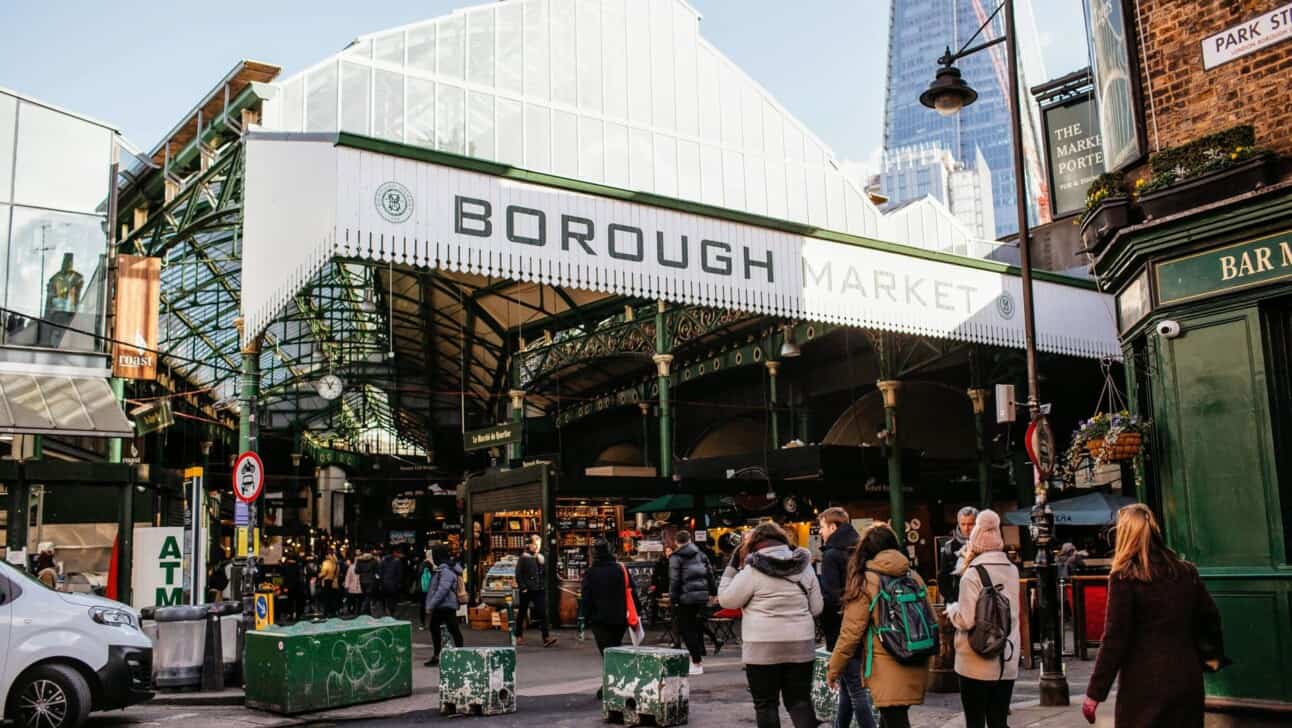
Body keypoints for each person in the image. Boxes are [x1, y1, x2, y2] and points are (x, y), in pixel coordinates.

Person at [1083, 504, 1224, 727]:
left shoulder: (1125, 578)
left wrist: (1094, 694)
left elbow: (1115, 639)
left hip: (1144, 683)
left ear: (1125, 536)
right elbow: (1210, 618)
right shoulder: (1186, 572)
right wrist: (1206, 658)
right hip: (1186, 677)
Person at [718, 522, 823, 728]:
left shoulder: (751, 571)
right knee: (800, 701)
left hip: (762, 647)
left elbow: (727, 600)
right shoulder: (805, 567)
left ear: (755, 545)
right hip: (801, 644)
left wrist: (731, 568)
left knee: (766, 704)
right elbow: (817, 607)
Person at [826, 523, 929, 728]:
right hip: (917, 656)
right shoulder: (913, 576)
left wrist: (833, 670)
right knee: (893, 718)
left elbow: (850, 633)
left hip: (886, 665)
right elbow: (930, 618)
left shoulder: (867, 581)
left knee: (895, 720)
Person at [945, 510, 1020, 728]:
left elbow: (966, 620)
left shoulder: (972, 574)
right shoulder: (1013, 570)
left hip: (975, 660)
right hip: (1006, 657)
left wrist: (952, 611)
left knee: (975, 722)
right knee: (999, 722)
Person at [581, 538, 643, 698]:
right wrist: (638, 611)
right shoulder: (620, 569)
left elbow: (586, 597)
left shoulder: (591, 572)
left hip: (599, 619)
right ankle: (615, 684)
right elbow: (631, 590)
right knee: (615, 648)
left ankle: (611, 686)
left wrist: (584, 617)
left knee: (606, 652)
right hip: (619, 617)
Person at [670, 530, 717, 675]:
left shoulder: (676, 557)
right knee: (697, 626)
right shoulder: (701, 554)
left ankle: (696, 662)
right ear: (690, 540)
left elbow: (674, 580)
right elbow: (710, 574)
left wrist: (674, 598)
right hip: (702, 596)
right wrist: (713, 592)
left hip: (685, 598)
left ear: (677, 542)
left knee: (687, 629)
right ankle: (697, 657)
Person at [816, 507, 859, 650]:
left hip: (838, 625)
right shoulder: (859, 549)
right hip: (859, 619)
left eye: (822, 527)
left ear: (833, 527)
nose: (820, 532)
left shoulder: (831, 555)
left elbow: (831, 596)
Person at [423, 545, 465, 666]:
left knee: (447, 629)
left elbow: (442, 589)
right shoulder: (446, 568)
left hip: (444, 605)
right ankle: (457, 654)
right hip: (446, 605)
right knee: (451, 629)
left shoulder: (445, 570)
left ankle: (442, 655)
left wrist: (431, 605)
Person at [516, 535, 558, 647]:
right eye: (535, 544)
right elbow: (518, 574)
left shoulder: (540, 557)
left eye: (538, 544)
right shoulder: (523, 557)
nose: (537, 547)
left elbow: (543, 573)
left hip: (538, 589)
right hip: (527, 590)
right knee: (522, 612)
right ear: (529, 545)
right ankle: (518, 635)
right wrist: (523, 587)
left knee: (542, 612)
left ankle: (546, 637)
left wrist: (543, 584)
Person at [939, 506, 977, 603]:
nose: (966, 528)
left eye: (970, 524)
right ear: (958, 524)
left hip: (981, 600)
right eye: (963, 524)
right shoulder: (949, 547)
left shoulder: (985, 545)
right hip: (958, 600)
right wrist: (952, 601)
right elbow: (943, 579)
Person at [649, 545, 674, 633]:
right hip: (662, 585)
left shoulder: (675, 561)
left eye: (670, 551)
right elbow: (655, 575)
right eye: (667, 551)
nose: (668, 553)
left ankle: (672, 622)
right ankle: (653, 622)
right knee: (655, 603)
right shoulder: (660, 562)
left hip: (670, 585)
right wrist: (653, 584)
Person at [378, 546, 406, 618]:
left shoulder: (383, 561)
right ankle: (391, 613)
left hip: (384, 583)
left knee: (385, 599)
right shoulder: (397, 561)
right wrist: (399, 583)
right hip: (393, 584)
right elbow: (400, 574)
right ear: (394, 552)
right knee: (392, 600)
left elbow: (380, 572)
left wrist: (381, 581)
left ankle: (385, 612)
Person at [354, 547, 381, 615]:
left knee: (365, 595)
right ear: (370, 552)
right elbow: (377, 571)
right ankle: (362, 611)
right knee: (368, 596)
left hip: (362, 580)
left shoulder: (359, 560)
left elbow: (356, 571)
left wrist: (362, 571)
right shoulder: (373, 560)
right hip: (371, 580)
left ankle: (368, 613)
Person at [415, 550, 436, 630]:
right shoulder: (432, 565)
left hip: (422, 588)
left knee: (422, 606)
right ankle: (433, 624)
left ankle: (422, 624)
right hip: (430, 588)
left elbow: (418, 575)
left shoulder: (422, 564)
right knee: (433, 605)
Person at [319, 549, 341, 617]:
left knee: (326, 598)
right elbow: (338, 573)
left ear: (329, 555)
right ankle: (333, 612)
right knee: (333, 597)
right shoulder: (336, 563)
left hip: (327, 581)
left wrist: (319, 575)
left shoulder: (326, 563)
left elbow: (324, 572)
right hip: (334, 582)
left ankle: (326, 612)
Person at [343, 551, 364, 615]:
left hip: (353, 588)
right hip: (357, 588)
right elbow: (348, 577)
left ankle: (353, 611)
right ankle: (356, 612)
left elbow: (347, 577)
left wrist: (346, 586)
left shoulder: (351, 567)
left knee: (354, 602)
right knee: (357, 602)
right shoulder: (360, 567)